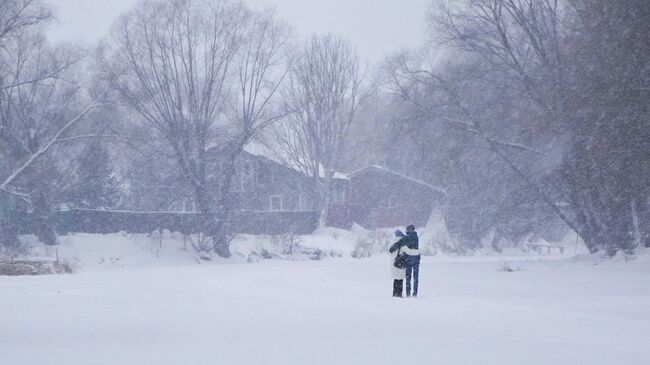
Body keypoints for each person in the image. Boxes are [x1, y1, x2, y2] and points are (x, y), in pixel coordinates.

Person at [402, 224, 420, 297]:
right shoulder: (416, 237)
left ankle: (408, 293)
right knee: (416, 277)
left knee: (408, 277)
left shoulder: (407, 237)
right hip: (416, 258)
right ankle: (415, 293)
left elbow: (405, 246)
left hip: (408, 258)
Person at [388, 229, 406, 297]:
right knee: (400, 280)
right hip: (400, 264)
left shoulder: (392, 243)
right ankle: (399, 294)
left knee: (395, 279)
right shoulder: (403, 244)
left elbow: (389, 252)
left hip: (394, 264)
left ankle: (394, 293)